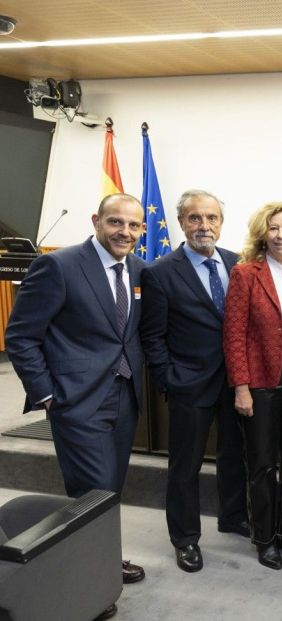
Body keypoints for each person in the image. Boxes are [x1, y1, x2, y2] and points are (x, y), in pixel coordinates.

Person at [5, 193, 148, 618]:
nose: (124, 232)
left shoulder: (140, 270)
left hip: (124, 396)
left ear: (142, 230)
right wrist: (48, 394)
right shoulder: (59, 266)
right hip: (77, 401)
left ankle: (102, 562)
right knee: (91, 492)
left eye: (133, 225)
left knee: (109, 490)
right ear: (97, 220)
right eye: (116, 222)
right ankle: (90, 585)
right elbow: (21, 336)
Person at [140, 189, 248, 573]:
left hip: (236, 383)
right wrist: (169, 380)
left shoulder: (239, 263)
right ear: (182, 222)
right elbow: (152, 336)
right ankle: (185, 538)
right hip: (189, 385)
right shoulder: (159, 272)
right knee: (185, 467)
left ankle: (233, 517)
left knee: (235, 457)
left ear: (221, 223)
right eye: (195, 218)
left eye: (211, 217)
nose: (204, 225)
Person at [223, 202, 282, 570]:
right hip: (262, 377)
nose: (280, 235)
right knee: (262, 463)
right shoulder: (246, 273)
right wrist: (241, 386)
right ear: (263, 233)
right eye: (273, 228)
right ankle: (264, 538)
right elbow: (234, 334)